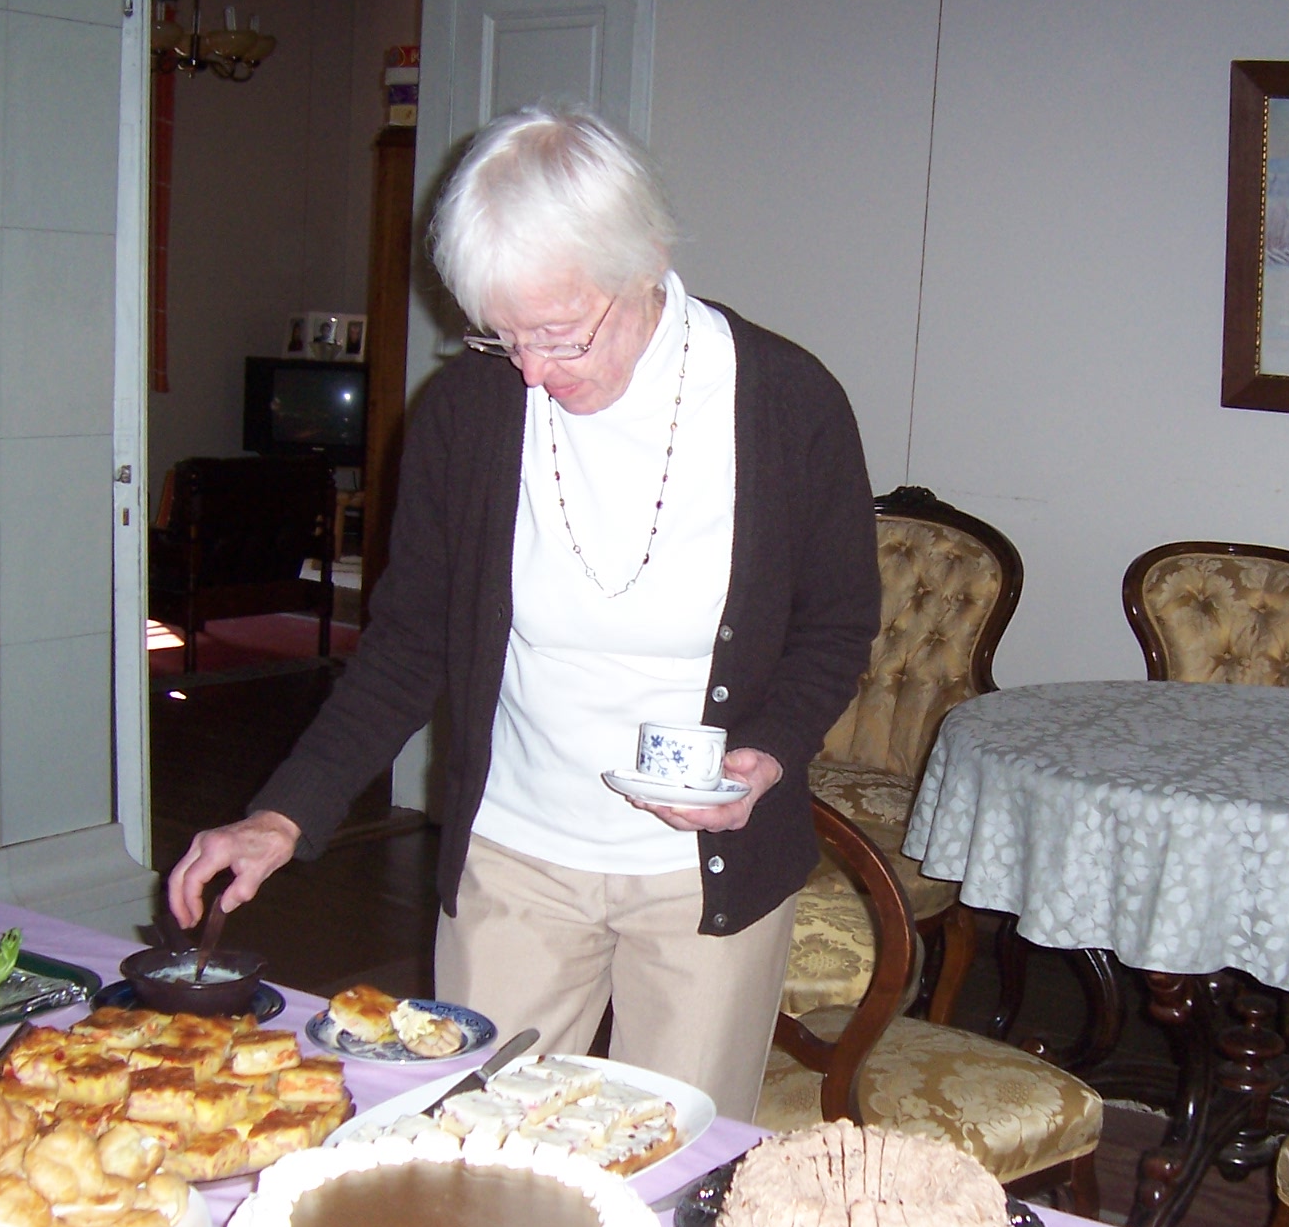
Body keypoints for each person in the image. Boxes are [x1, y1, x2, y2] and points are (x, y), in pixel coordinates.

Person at [166, 104, 880, 1119]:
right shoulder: (471, 410)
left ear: (646, 264)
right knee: (476, 1140)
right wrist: (283, 814)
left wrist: (765, 752)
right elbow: (408, 644)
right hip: (516, 860)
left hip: (701, 876)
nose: (533, 373)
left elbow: (835, 624)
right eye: (502, 336)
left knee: (668, 1163)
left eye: (557, 334)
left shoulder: (787, 402)